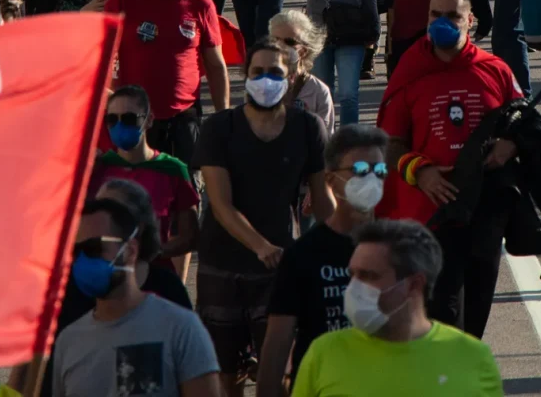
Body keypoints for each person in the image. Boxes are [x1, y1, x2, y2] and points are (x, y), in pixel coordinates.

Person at [377, 0, 522, 338]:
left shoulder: (496, 70)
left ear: (470, 21)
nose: (442, 22)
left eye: (452, 16)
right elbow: (388, 143)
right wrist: (420, 171)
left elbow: (524, 121)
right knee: (442, 310)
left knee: (477, 304)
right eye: (434, 15)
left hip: (484, 209)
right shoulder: (410, 70)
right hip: (433, 215)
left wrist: (510, 144)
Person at [193, 40, 333, 397]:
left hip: (279, 269)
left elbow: (323, 200)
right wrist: (260, 245)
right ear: (245, 76)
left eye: (275, 73)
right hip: (221, 266)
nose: (266, 79)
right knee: (225, 375)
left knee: (279, 374)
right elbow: (220, 204)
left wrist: (353, 243)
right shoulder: (219, 128)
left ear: (289, 80)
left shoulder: (308, 128)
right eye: (258, 72)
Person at [290, 219, 503, 397]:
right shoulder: (323, 353)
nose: (354, 288)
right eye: (352, 275)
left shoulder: (473, 358)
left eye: (369, 276)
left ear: (413, 284)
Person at [257, 125, 390, 396]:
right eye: (361, 170)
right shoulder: (303, 255)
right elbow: (276, 348)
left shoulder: (400, 249)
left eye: (379, 171)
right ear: (330, 181)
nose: (371, 179)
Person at [51, 197, 220, 397]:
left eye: (94, 248)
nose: (83, 260)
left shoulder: (179, 328)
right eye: (75, 251)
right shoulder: (68, 340)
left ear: (130, 250)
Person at [92, 0, 229, 165]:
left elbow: (215, 65)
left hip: (184, 116)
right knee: (138, 190)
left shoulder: (201, 4)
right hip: (135, 116)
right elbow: (100, 49)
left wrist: (224, 118)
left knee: (186, 186)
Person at [88, 85, 200, 276]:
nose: (119, 125)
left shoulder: (172, 169)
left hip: (155, 276)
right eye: (112, 119)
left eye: (129, 119)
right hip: (107, 277)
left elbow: (189, 236)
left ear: (149, 120)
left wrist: (153, 253)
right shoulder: (98, 168)